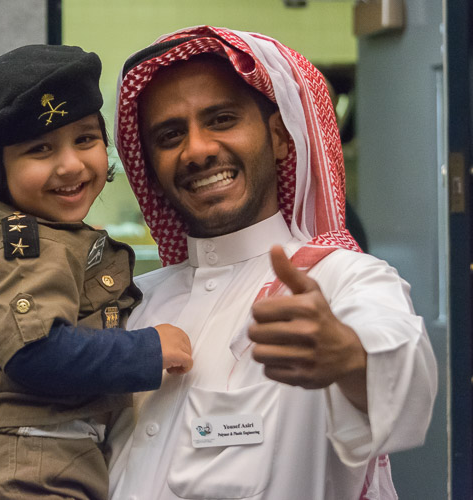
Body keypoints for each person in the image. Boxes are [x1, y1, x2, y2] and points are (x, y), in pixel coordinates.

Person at [106, 26, 437, 499]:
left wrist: (349, 356)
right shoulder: (136, 304)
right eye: (171, 135)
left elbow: (407, 376)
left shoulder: (342, 279)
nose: (197, 150)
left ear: (280, 137)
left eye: (221, 119)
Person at [0, 44, 192, 500]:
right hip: (23, 465)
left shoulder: (62, 239)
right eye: (39, 149)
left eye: (85, 139)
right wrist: (147, 350)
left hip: (43, 456)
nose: (70, 165)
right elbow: (36, 352)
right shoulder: (30, 247)